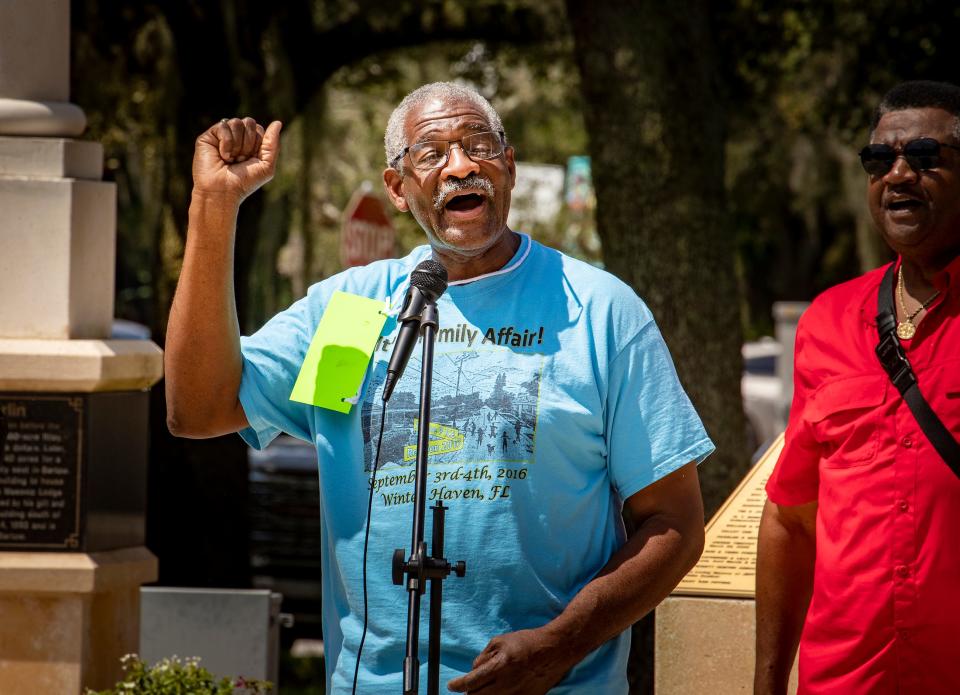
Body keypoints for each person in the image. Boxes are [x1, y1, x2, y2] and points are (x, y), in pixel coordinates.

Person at [165, 81, 714, 694]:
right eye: (431, 153)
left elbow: (674, 524)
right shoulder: (354, 311)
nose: (461, 166)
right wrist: (214, 207)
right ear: (398, 188)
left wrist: (561, 645)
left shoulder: (597, 310)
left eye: (479, 144)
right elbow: (198, 409)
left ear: (507, 165)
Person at [755, 80, 960, 695]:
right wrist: (766, 684)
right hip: (844, 681)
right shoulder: (826, 321)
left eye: (926, 157)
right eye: (880, 160)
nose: (898, 174)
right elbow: (791, 519)